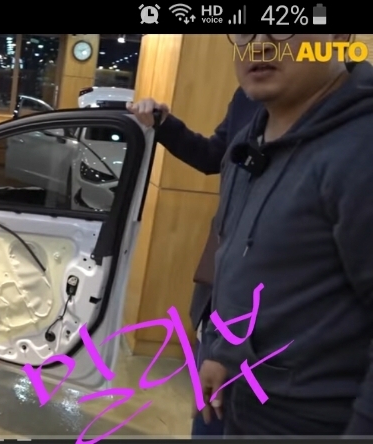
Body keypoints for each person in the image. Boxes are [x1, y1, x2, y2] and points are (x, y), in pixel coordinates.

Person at [190, 34, 373, 436]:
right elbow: (237, 258)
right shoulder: (247, 142)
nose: (259, 44)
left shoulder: (362, 148)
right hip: (238, 402)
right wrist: (221, 350)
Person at [128, 88, 260, 437]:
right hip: (221, 298)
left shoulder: (348, 126)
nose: (258, 59)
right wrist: (163, 124)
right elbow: (213, 155)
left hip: (278, 323)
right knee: (210, 420)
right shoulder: (248, 98)